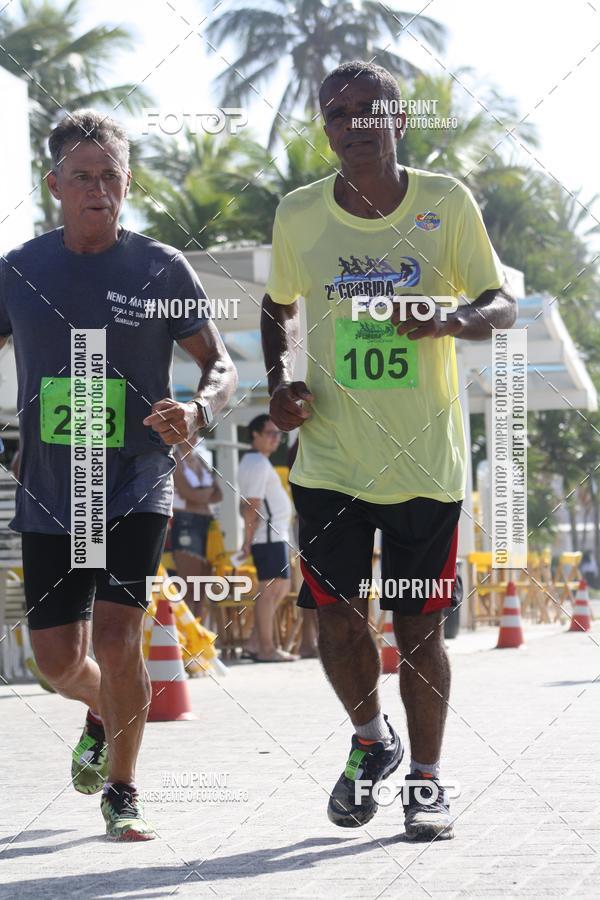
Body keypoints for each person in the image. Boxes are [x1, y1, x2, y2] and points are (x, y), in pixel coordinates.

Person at [261, 61, 517, 839]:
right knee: (336, 621)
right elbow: (277, 311)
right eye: (336, 113)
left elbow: (500, 306)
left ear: (398, 119)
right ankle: (371, 743)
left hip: (423, 463)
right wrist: (281, 380)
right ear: (327, 128)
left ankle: (429, 783)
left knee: (418, 631)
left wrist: (448, 319)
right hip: (332, 460)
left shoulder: (444, 203)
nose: (352, 123)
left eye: (369, 109)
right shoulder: (300, 214)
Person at [0, 109, 237, 840]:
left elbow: (219, 364)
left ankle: (124, 791)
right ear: (55, 186)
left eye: (110, 177)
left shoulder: (161, 268)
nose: (98, 190)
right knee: (55, 660)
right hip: (50, 488)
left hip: (136, 476)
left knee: (115, 638)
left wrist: (198, 412)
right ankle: (102, 712)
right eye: (82, 177)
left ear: (127, 183)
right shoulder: (19, 271)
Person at [237, 414, 297, 662]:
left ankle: (255, 643)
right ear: (255, 435)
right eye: (270, 433)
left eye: (278, 434)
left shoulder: (258, 461)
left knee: (279, 589)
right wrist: (248, 540)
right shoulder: (256, 462)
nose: (276, 438)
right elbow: (252, 505)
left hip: (274, 534)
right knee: (270, 590)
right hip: (268, 535)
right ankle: (266, 648)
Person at [171, 444, 222, 618]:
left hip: (205, 522)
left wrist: (199, 495)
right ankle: (184, 632)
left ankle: (197, 632)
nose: (192, 435)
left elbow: (219, 494)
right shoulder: (175, 457)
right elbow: (187, 493)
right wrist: (205, 494)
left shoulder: (198, 458)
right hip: (186, 521)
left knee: (202, 586)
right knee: (188, 583)